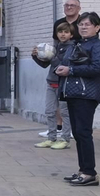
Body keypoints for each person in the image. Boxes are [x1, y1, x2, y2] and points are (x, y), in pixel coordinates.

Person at [55, 12, 100, 187]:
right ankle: (83, 170)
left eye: (87, 24)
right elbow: (65, 62)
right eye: (81, 24)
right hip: (72, 93)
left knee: (84, 133)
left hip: (87, 95)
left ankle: (89, 173)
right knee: (78, 133)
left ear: (97, 27)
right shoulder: (76, 44)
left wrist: (70, 71)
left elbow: (98, 68)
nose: (83, 27)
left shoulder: (99, 46)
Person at [30, 21, 74, 149]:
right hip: (51, 83)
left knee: (65, 113)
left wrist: (51, 56)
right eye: (60, 32)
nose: (63, 34)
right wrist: (36, 56)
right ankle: (51, 137)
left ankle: (65, 139)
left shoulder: (72, 48)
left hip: (64, 85)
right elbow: (45, 65)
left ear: (71, 35)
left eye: (66, 32)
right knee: (50, 111)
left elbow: (61, 63)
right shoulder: (56, 46)